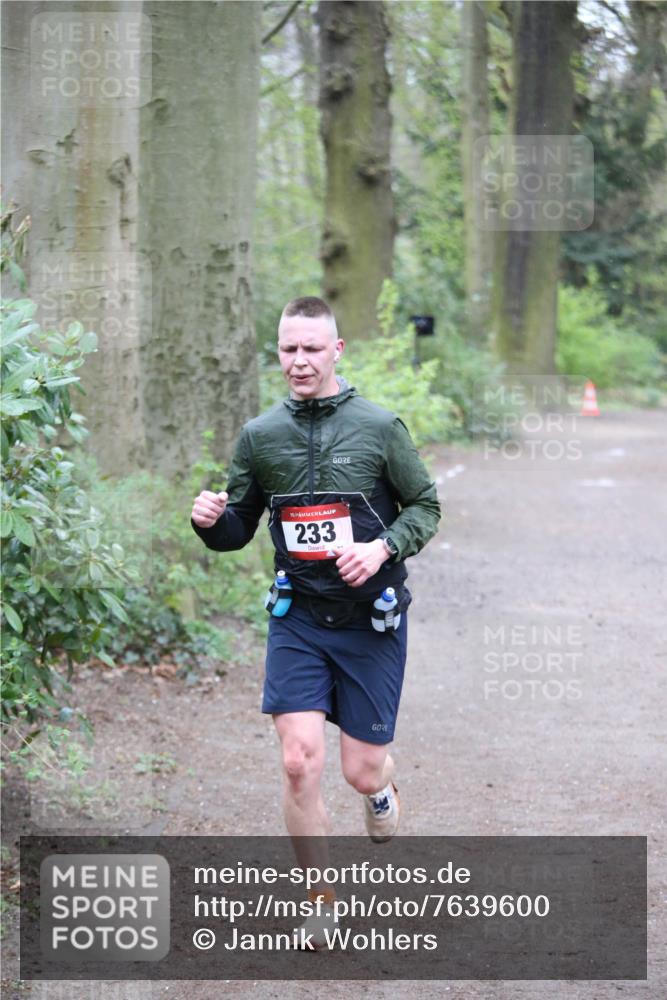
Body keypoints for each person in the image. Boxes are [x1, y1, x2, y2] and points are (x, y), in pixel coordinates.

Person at [190, 296, 441, 935]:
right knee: (299, 760)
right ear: (278, 352)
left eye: (311, 348)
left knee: (360, 770)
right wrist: (211, 522)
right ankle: (321, 903)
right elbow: (239, 525)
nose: (298, 361)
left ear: (336, 350)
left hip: (369, 618)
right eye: (288, 349)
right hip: (298, 616)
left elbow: (425, 506)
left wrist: (382, 547)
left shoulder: (380, 427)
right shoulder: (261, 435)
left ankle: (381, 789)